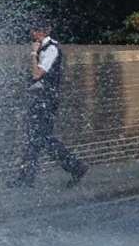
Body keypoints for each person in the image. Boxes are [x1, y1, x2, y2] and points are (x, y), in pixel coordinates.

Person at [8, 21, 89, 188]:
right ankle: (26, 178)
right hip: (39, 98)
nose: (31, 33)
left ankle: (76, 166)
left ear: (41, 32)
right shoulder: (44, 49)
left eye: (33, 30)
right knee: (35, 138)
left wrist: (33, 54)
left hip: (46, 99)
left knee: (42, 138)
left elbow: (37, 74)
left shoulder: (51, 49)